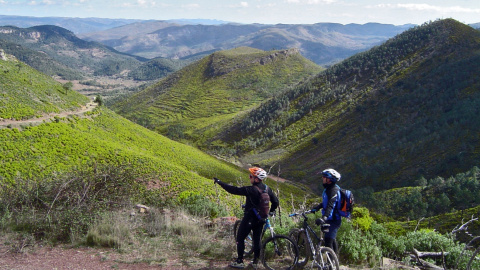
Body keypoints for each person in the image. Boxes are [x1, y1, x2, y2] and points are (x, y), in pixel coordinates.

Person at [214, 167, 279, 269]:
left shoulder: (251, 189)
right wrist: (271, 212)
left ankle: (240, 261)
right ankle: (255, 262)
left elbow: (233, 190)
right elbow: (276, 202)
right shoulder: (267, 189)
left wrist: (219, 182)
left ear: (256, 179)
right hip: (261, 219)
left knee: (240, 237)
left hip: (250, 218)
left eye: (251, 176)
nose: (249, 178)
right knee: (257, 240)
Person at [311, 168, 342, 255]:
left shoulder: (333, 191)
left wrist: (324, 218)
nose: (322, 178)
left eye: (324, 177)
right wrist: (317, 207)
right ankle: (335, 262)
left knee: (328, 242)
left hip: (334, 220)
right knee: (331, 239)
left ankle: (330, 265)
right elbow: (326, 202)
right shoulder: (328, 189)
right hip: (330, 218)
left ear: (329, 179)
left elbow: (330, 206)